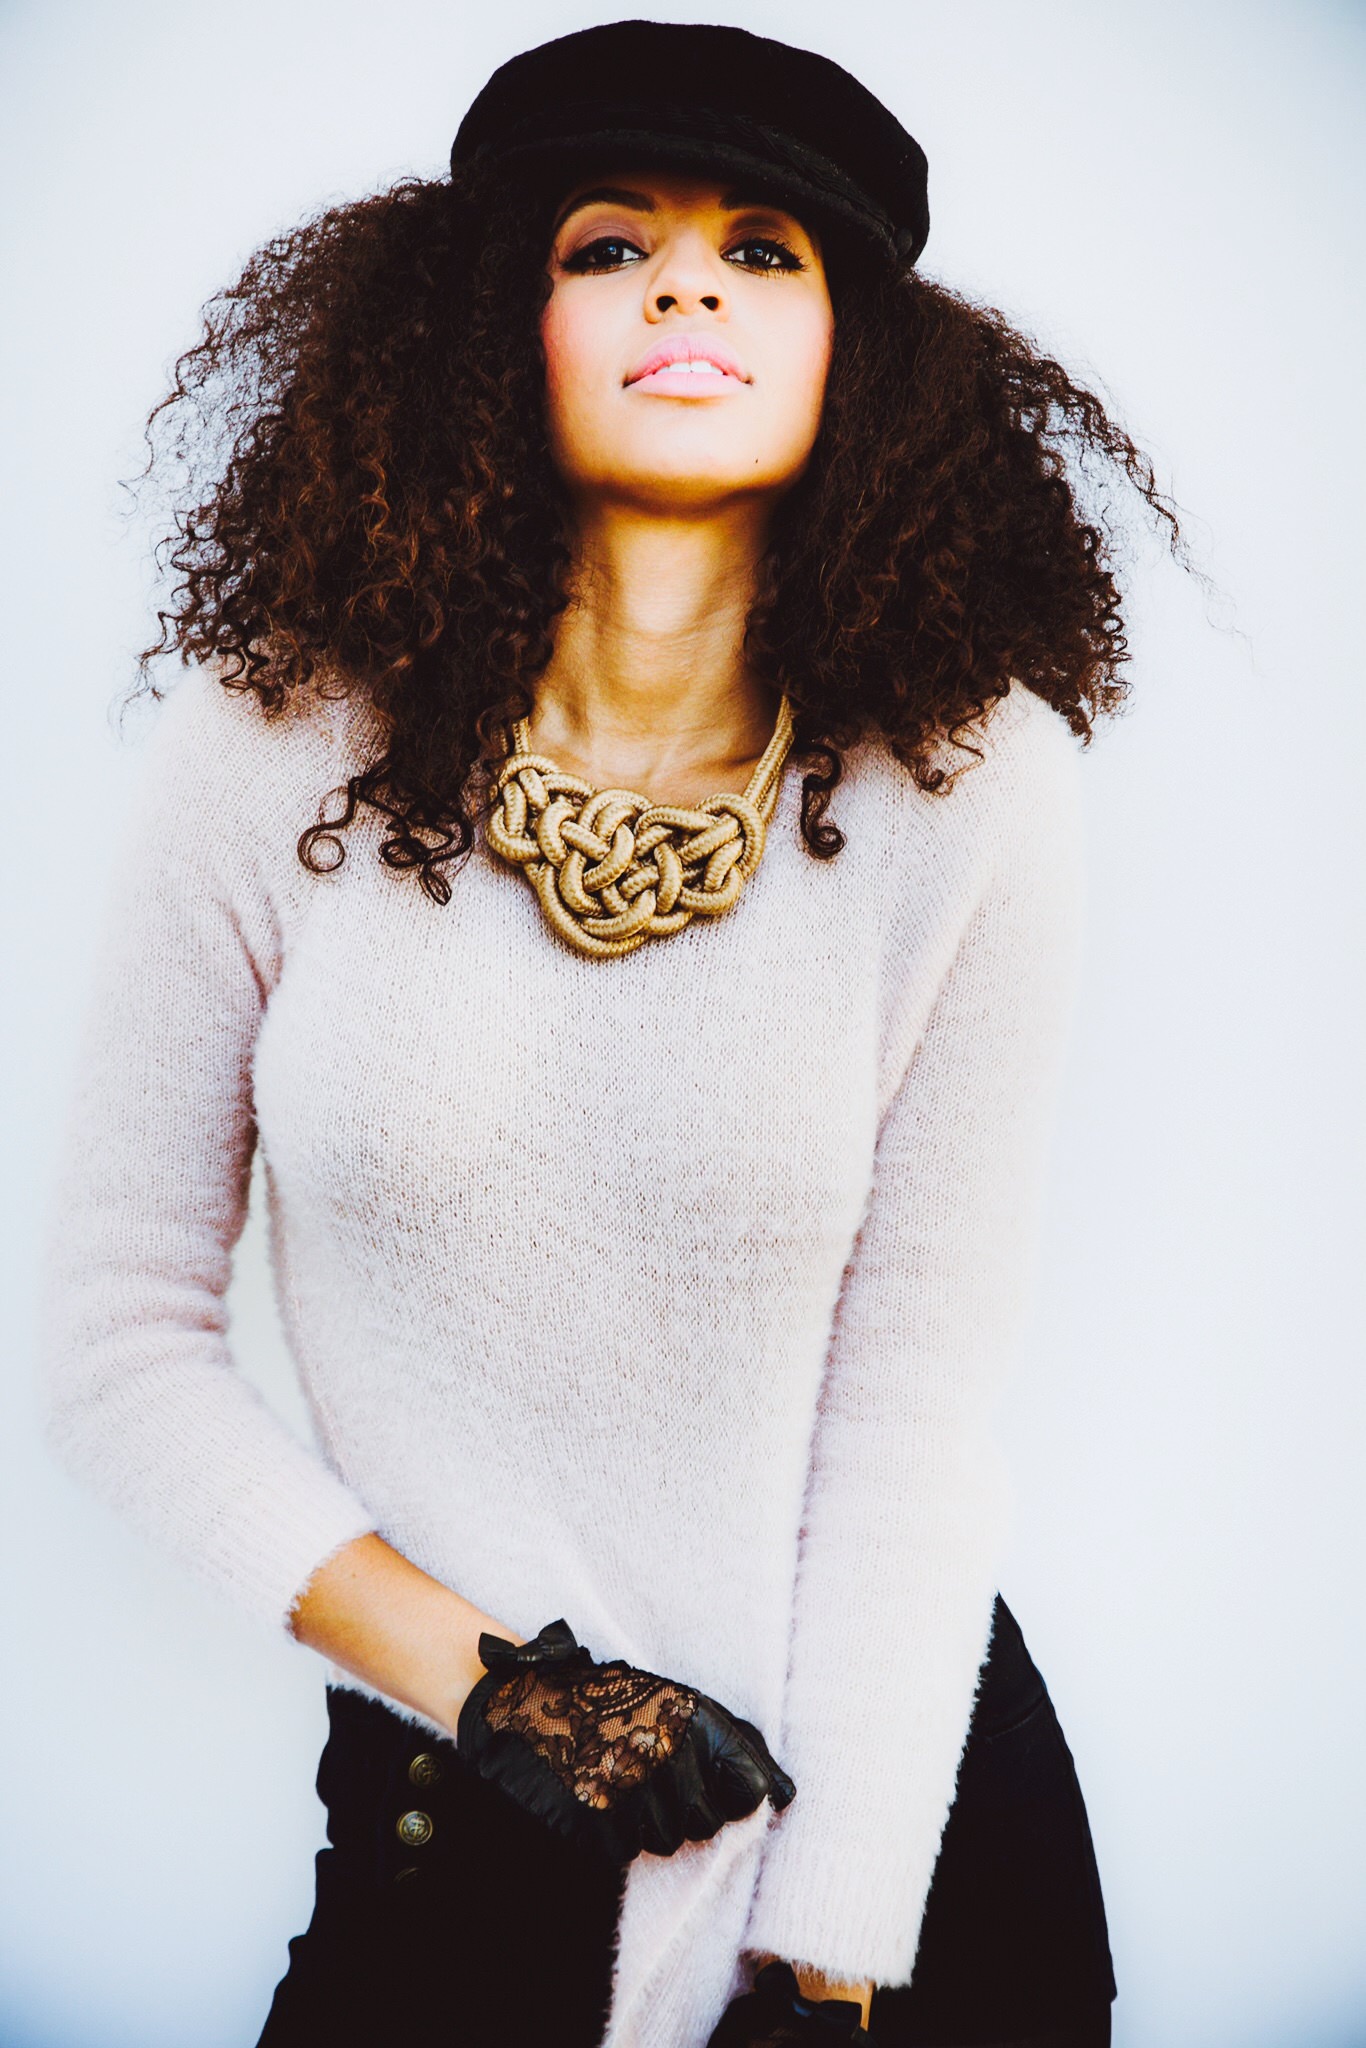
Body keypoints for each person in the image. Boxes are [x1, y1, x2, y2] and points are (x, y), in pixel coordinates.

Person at [37, 19, 1183, 2047]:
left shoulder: (970, 781)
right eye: (608, 244)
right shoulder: (273, 738)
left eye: (762, 251)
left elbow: (912, 1412)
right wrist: (492, 1686)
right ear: (492, 320)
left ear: (858, 355)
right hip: (458, 1805)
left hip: (898, 1834)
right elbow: (114, 1344)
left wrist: (831, 1962)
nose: (685, 291)